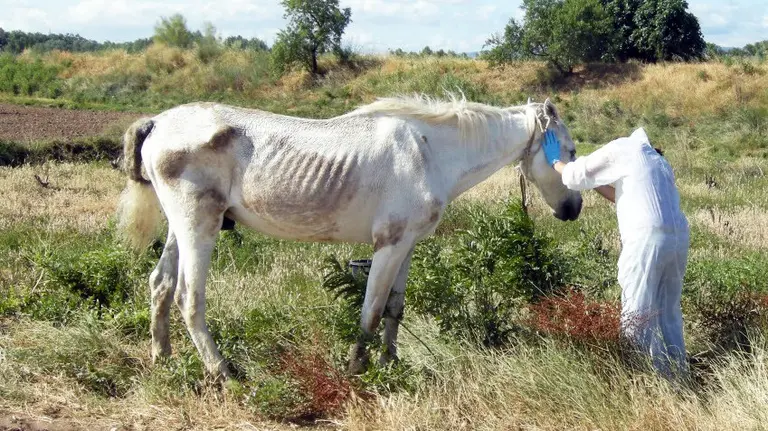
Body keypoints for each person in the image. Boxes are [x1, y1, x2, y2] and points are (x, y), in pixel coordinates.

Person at [542, 127, 690, 380]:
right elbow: (620, 195)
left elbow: (575, 176)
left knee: (638, 312)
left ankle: (643, 378)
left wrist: (556, 161)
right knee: (668, 311)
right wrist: (595, 182)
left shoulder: (623, 147)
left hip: (647, 239)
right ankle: (679, 376)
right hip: (676, 240)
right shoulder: (657, 161)